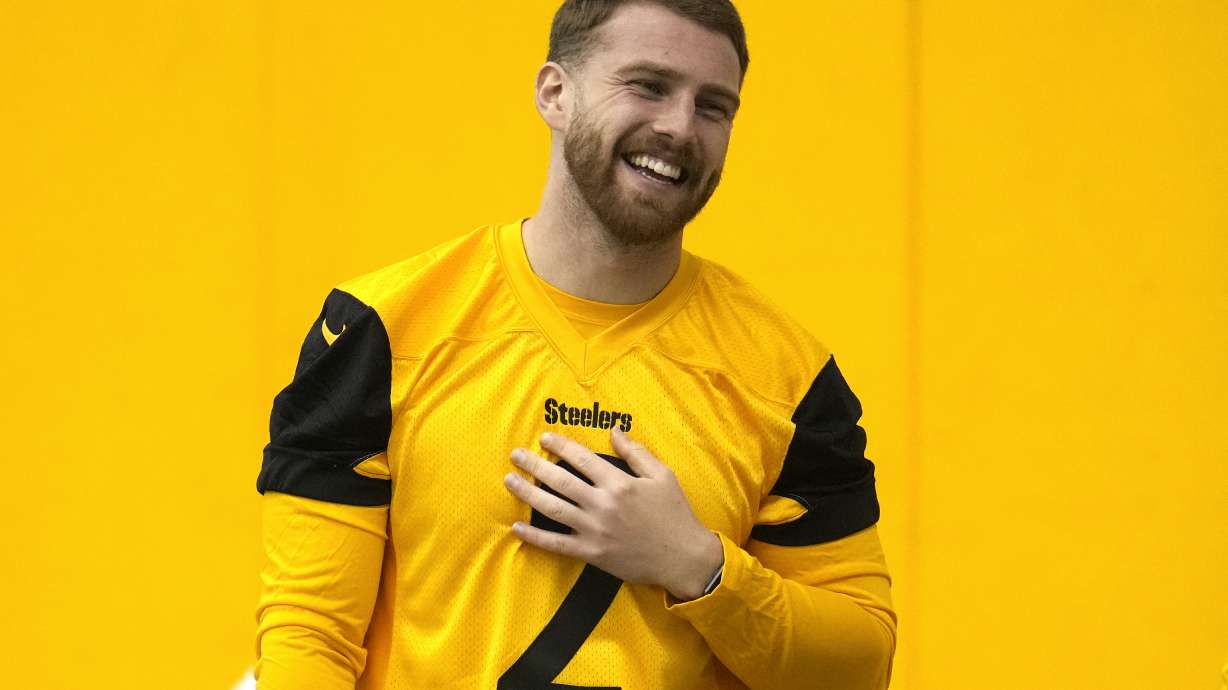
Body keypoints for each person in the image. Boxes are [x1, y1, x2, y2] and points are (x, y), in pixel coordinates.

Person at [254, 1, 897, 688]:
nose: (680, 127)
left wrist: (699, 567)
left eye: (713, 106)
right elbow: (309, 639)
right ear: (554, 93)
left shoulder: (789, 376)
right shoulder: (383, 329)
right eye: (648, 85)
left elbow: (861, 667)